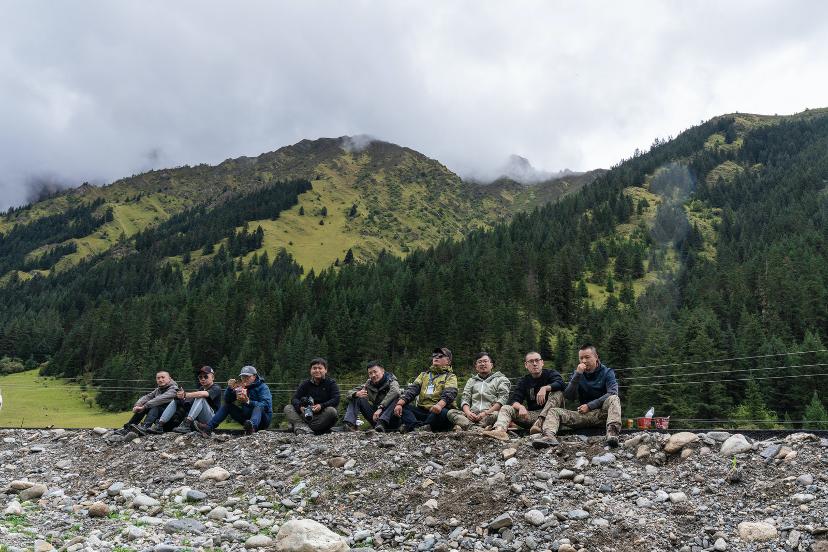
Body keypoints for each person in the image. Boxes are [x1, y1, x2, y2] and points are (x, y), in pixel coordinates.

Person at [534, 343, 622, 448]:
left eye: (587, 357)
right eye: (581, 358)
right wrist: (578, 374)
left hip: (602, 415)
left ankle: (612, 434)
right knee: (554, 411)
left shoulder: (607, 372)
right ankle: (549, 436)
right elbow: (569, 396)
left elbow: (613, 392)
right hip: (583, 415)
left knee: (614, 398)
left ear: (596, 357)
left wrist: (590, 406)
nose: (584, 361)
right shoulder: (577, 374)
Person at [481, 352, 564, 441]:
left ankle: (541, 423)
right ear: (526, 365)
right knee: (506, 408)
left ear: (542, 362)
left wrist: (545, 388)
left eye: (537, 360)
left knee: (557, 392)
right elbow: (514, 400)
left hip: (552, 418)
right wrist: (520, 407)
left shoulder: (551, 374)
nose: (535, 364)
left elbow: (561, 384)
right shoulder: (524, 381)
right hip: (533, 417)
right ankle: (500, 431)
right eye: (531, 361)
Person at [392, 347, 459, 432]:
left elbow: (450, 393)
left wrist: (439, 405)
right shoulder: (424, 375)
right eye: (434, 355)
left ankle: (415, 427)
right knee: (403, 407)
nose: (436, 357)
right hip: (423, 411)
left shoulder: (450, 376)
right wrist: (399, 404)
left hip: (439, 410)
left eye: (440, 356)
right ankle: (420, 427)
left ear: (448, 361)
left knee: (444, 412)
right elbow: (412, 390)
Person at [196, 365, 272, 435]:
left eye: (247, 377)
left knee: (258, 407)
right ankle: (208, 428)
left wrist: (248, 402)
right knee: (227, 406)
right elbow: (227, 400)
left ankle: (252, 428)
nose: (245, 379)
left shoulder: (263, 387)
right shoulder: (241, 387)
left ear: (254, 377)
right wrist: (230, 388)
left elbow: (266, 405)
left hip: (263, 420)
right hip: (246, 420)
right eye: (243, 377)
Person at [145, 366, 222, 434]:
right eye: (200, 377)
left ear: (212, 377)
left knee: (200, 397)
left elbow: (204, 394)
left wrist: (185, 394)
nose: (203, 379)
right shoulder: (201, 388)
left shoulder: (216, 388)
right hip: (200, 418)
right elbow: (191, 401)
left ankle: (187, 424)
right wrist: (181, 398)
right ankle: (160, 424)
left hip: (211, 420)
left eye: (205, 376)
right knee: (176, 400)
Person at [446, 352, 510, 431]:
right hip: (472, 415)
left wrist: (485, 413)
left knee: (497, 414)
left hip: (490, 414)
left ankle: (468, 427)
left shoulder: (501, 379)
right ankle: (477, 428)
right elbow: (465, 398)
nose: (482, 364)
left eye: (485, 361)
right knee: (451, 412)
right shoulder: (471, 381)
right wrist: (468, 413)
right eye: (479, 362)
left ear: (491, 365)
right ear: (476, 366)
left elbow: (502, 399)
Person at [284, 358, 341, 434]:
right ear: (310, 370)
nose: (317, 370)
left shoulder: (331, 383)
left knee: (332, 411)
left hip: (322, 416)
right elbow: (294, 398)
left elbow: (336, 399)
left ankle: (299, 427)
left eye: (320, 368)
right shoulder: (305, 384)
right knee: (288, 408)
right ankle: (304, 427)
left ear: (325, 370)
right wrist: (299, 407)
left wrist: (321, 406)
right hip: (306, 414)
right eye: (314, 368)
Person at [343, 361, 401, 432]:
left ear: (382, 371)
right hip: (375, 417)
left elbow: (396, 391)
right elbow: (348, 393)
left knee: (397, 397)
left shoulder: (391, 380)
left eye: (375, 372)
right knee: (356, 397)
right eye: (370, 373)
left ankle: (382, 423)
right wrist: (356, 394)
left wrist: (381, 407)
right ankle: (349, 425)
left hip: (391, 418)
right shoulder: (369, 384)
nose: (373, 375)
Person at [116, 371, 179, 436]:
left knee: (154, 406)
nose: (160, 380)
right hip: (160, 421)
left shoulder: (174, 390)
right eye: (158, 378)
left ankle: (145, 427)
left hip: (172, 421)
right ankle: (128, 428)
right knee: (143, 407)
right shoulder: (158, 390)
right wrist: (137, 405)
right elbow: (147, 397)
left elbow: (159, 400)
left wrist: (144, 406)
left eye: (163, 377)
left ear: (169, 378)